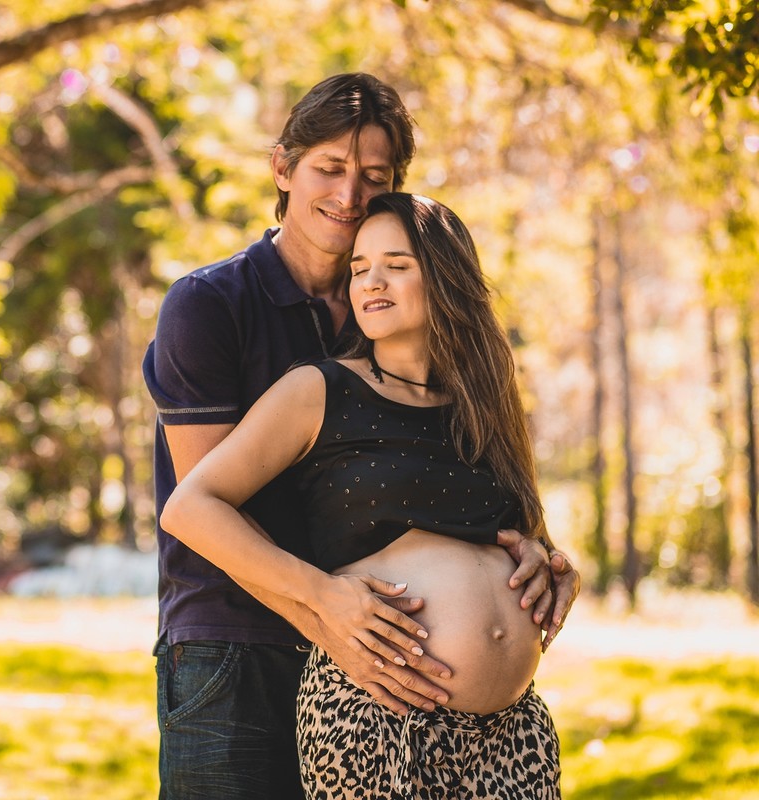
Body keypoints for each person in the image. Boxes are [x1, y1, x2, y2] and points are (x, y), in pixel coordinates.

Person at [143, 73, 579, 799]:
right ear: (281, 169)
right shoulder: (211, 305)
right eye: (329, 169)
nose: (348, 196)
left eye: (371, 177)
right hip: (235, 646)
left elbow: (427, 494)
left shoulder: (388, 323)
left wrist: (531, 555)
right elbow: (204, 514)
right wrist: (333, 622)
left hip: (379, 659)